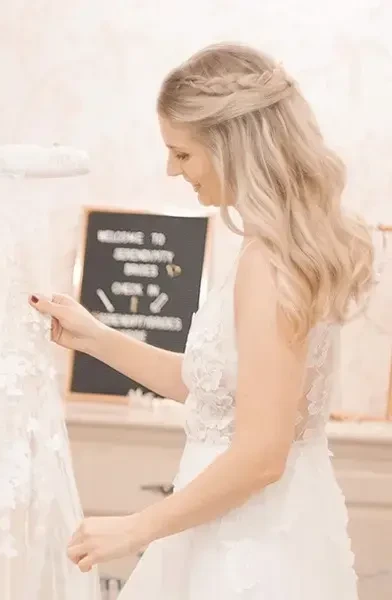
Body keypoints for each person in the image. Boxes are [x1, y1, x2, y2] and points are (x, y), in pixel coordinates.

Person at [30, 42, 373, 599]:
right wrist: (95, 337)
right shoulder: (271, 248)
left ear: (233, 147)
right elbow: (213, 388)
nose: (172, 169)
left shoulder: (270, 261)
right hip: (235, 524)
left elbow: (262, 455)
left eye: (183, 154)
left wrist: (137, 526)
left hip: (248, 542)